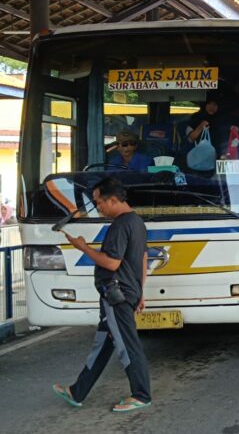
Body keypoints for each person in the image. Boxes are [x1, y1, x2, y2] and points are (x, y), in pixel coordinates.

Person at [53, 177, 152, 412]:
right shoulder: (137, 222)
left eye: (99, 202)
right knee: (103, 344)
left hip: (116, 295)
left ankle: (141, 395)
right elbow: (144, 258)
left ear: (114, 200)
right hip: (126, 292)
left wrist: (83, 248)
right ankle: (77, 392)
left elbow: (111, 262)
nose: (97, 207)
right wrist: (140, 291)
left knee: (128, 346)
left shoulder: (119, 225)